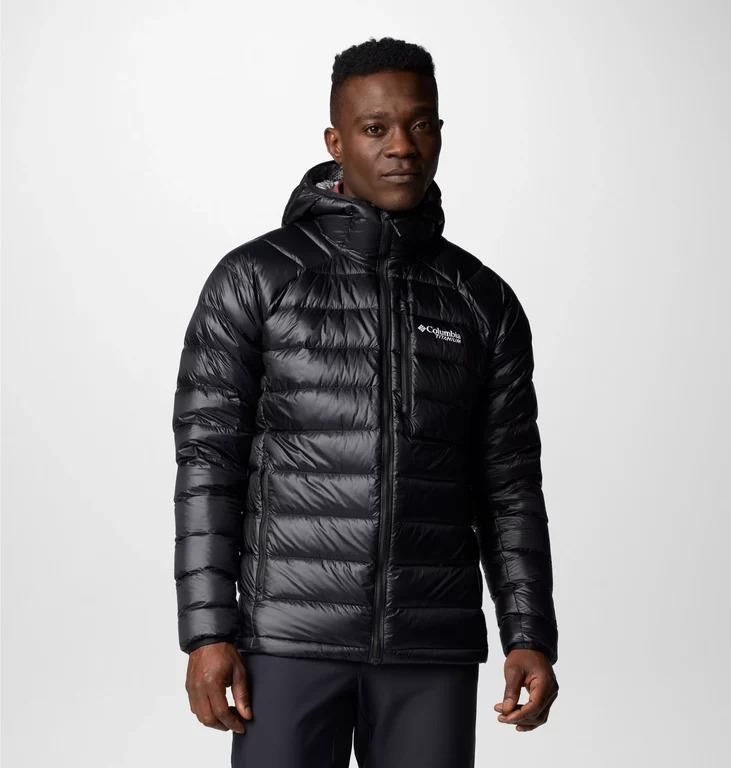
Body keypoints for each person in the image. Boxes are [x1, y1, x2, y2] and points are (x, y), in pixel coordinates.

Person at [172, 36, 559, 768]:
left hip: (429, 647)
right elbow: (207, 468)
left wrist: (529, 633)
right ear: (336, 141)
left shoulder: (483, 301)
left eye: (420, 125)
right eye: (375, 128)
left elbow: (509, 484)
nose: (401, 147)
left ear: (439, 133)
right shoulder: (255, 279)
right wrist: (207, 633)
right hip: (284, 642)